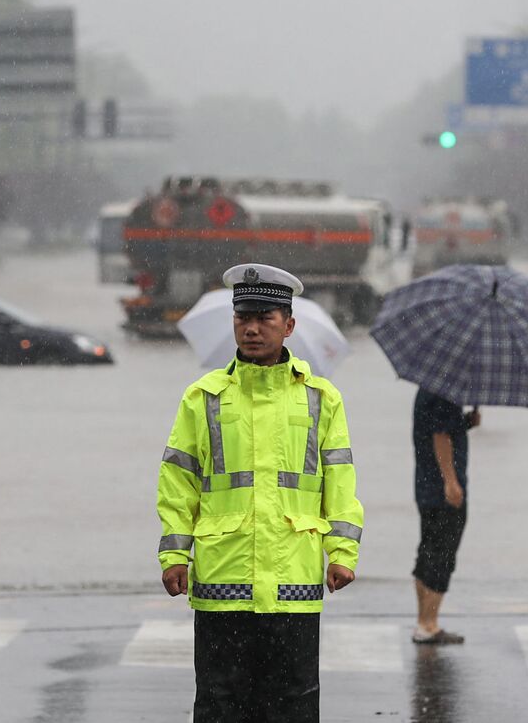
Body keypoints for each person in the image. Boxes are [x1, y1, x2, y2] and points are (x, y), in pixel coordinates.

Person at [154, 263, 365, 723]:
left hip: (294, 582)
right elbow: (178, 482)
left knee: (293, 706)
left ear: (288, 325)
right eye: (242, 318)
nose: (251, 328)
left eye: (264, 318)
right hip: (221, 581)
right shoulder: (203, 397)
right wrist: (174, 556)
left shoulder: (321, 398)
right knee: (219, 704)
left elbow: (340, 482)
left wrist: (343, 552)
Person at [411, 387, 479, 644]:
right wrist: (451, 482)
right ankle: (428, 625)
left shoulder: (428, 388)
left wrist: (466, 423)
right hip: (443, 492)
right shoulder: (445, 392)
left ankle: (424, 622)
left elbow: (439, 429)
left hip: (426, 486)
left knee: (429, 550)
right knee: (442, 555)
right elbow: (440, 436)